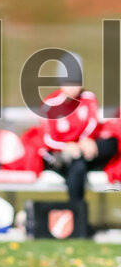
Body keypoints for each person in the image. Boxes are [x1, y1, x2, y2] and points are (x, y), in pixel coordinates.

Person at [38, 55, 120, 204]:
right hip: (62, 155)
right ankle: (77, 210)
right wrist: (67, 147)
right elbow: (47, 139)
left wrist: (84, 142)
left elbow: (92, 124)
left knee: (111, 143)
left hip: (85, 151)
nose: (73, 87)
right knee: (78, 164)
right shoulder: (49, 106)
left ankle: (76, 212)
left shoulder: (88, 98)